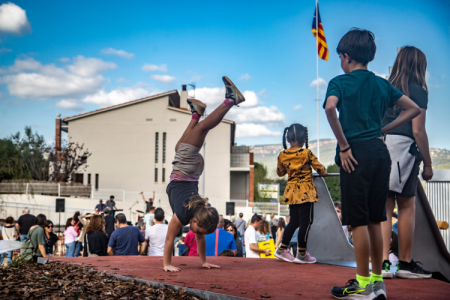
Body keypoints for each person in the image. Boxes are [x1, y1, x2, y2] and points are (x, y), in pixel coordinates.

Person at [324, 29, 421, 299]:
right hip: (381, 153)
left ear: (345, 57)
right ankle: (378, 283)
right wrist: (384, 128)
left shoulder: (339, 82)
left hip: (355, 155)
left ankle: (363, 283)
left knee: (358, 223)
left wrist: (344, 146)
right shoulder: (381, 84)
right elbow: (412, 108)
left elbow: (330, 108)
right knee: (378, 218)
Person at [164, 76, 244, 272]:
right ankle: (231, 100)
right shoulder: (183, 215)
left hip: (192, 171)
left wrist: (203, 262)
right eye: (198, 229)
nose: (196, 233)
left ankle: (196, 113)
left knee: (179, 147)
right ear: (196, 220)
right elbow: (168, 239)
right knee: (203, 129)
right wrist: (166, 265)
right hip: (186, 169)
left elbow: (200, 240)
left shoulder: (197, 213)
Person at [381, 46, 433, 280]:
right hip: (403, 150)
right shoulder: (418, 90)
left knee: (383, 206)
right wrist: (429, 164)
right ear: (419, 67)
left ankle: (381, 263)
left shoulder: (385, 87)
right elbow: (418, 130)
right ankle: (405, 263)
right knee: (406, 206)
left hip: (380, 147)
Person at [274, 123, 327, 264]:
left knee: (294, 221)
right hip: (305, 191)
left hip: (291, 191)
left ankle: (282, 249)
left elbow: (280, 173)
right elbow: (321, 170)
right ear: (304, 139)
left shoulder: (283, 154)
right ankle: (301, 253)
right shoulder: (307, 153)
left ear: (287, 139)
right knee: (306, 221)